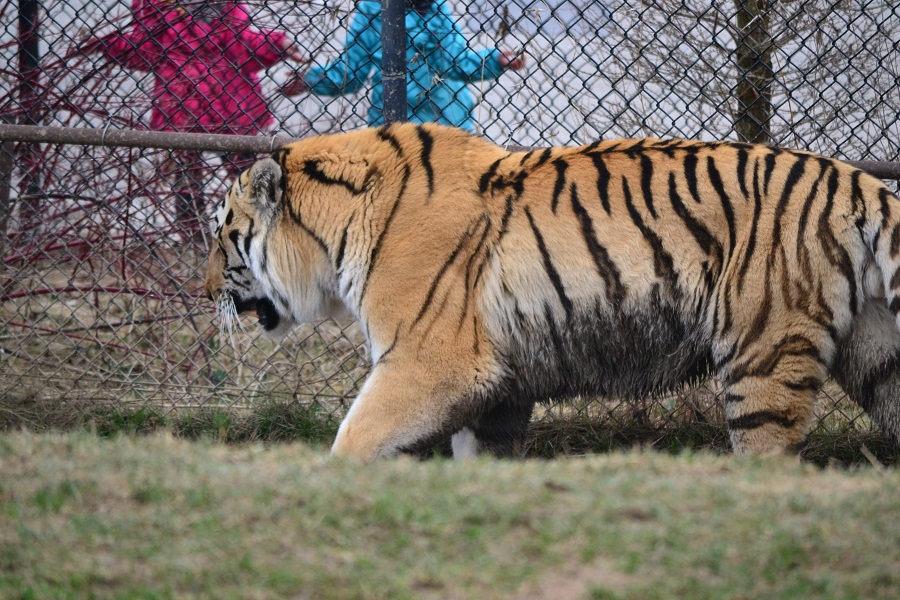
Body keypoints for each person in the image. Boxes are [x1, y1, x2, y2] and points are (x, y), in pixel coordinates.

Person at [85, 0, 304, 232]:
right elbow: (145, 47)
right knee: (198, 178)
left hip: (198, 104)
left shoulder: (206, 8)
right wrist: (108, 44)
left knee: (230, 175)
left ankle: (244, 232)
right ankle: (215, 234)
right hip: (220, 103)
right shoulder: (160, 7)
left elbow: (242, 43)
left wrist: (277, 43)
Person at [283, 0, 524, 131]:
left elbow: (456, 62)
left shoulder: (437, 7)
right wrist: (311, 79)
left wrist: (494, 59)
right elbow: (350, 73)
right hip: (393, 125)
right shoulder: (372, 9)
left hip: (444, 122)